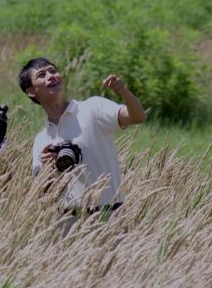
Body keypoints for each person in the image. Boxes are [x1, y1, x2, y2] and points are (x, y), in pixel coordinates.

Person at [18, 57, 146, 215]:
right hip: (67, 223)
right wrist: (49, 170)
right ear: (30, 91)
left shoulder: (93, 108)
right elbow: (41, 193)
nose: (51, 76)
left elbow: (138, 117)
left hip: (111, 216)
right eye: (42, 75)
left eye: (53, 71)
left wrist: (123, 91)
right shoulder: (42, 139)